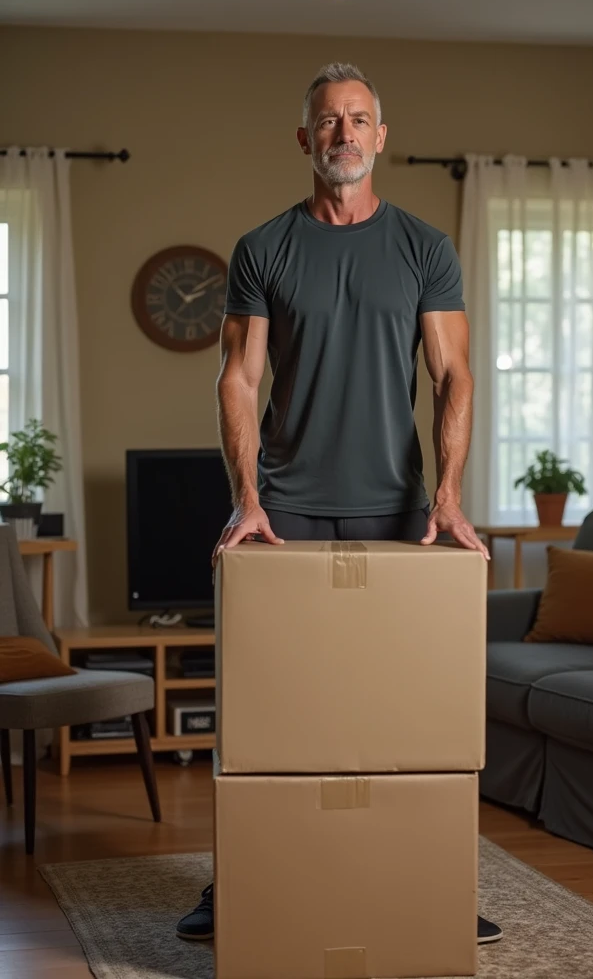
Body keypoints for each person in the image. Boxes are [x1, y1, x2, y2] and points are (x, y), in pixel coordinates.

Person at [176, 62, 502, 946]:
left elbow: (453, 374)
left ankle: (428, 879)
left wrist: (448, 496)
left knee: (395, 712)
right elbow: (239, 378)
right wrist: (246, 497)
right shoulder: (264, 248)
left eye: (360, 120)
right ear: (305, 138)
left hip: (398, 514)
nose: (345, 134)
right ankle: (237, 882)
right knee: (263, 712)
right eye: (329, 121)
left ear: (381, 137)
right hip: (283, 513)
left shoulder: (424, 247)